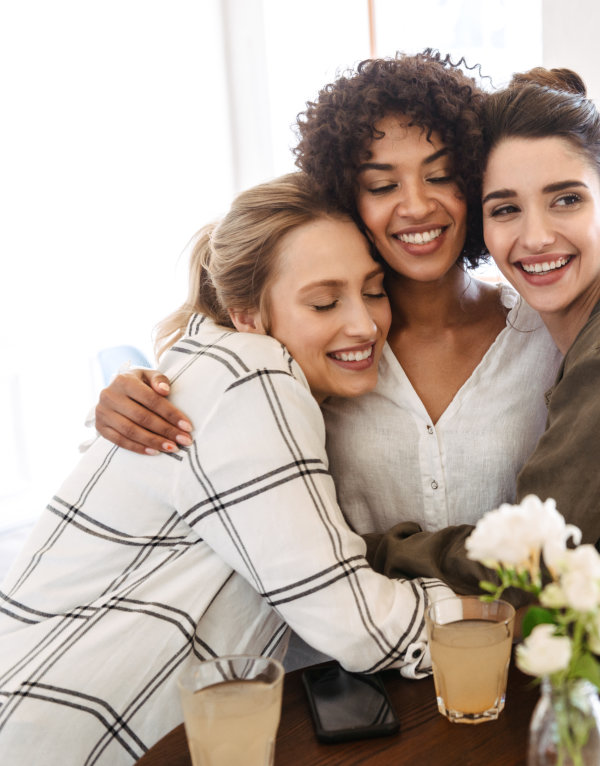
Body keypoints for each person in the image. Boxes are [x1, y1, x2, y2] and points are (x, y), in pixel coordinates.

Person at [0, 173, 452, 765]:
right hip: (61, 727)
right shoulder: (252, 374)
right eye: (324, 301)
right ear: (246, 313)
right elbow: (357, 623)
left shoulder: (212, 365)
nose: (365, 324)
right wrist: (496, 617)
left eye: (373, 291)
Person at [95, 52, 561, 581]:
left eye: (442, 177)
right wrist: (125, 399)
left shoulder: (542, 333)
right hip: (337, 654)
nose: (415, 206)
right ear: (346, 196)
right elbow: (202, 387)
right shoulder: (311, 344)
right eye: (382, 185)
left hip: (514, 645)